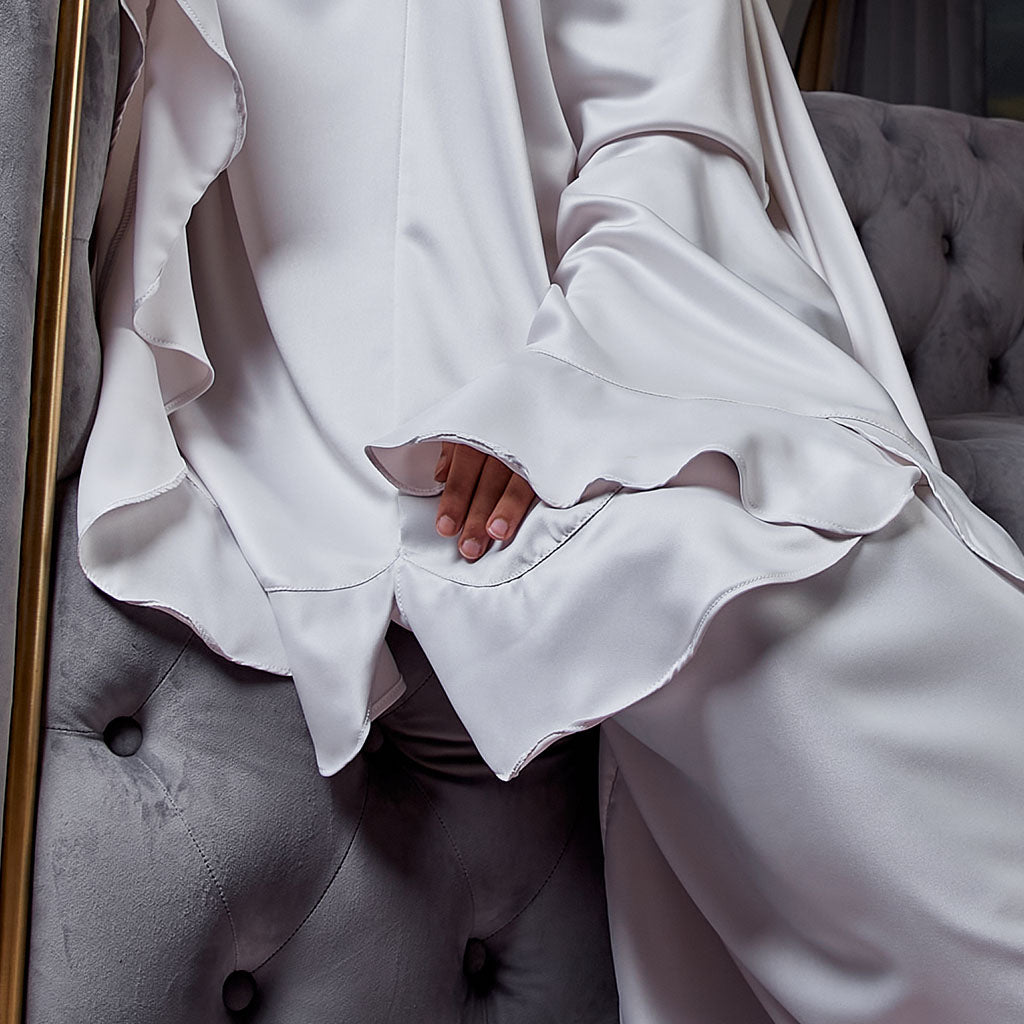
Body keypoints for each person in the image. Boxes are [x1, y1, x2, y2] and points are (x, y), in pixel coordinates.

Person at [79, 0, 1024, 1019]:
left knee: (738, 557)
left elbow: (665, 131)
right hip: (312, 395)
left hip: (630, 338)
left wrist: (568, 384)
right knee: (687, 564)